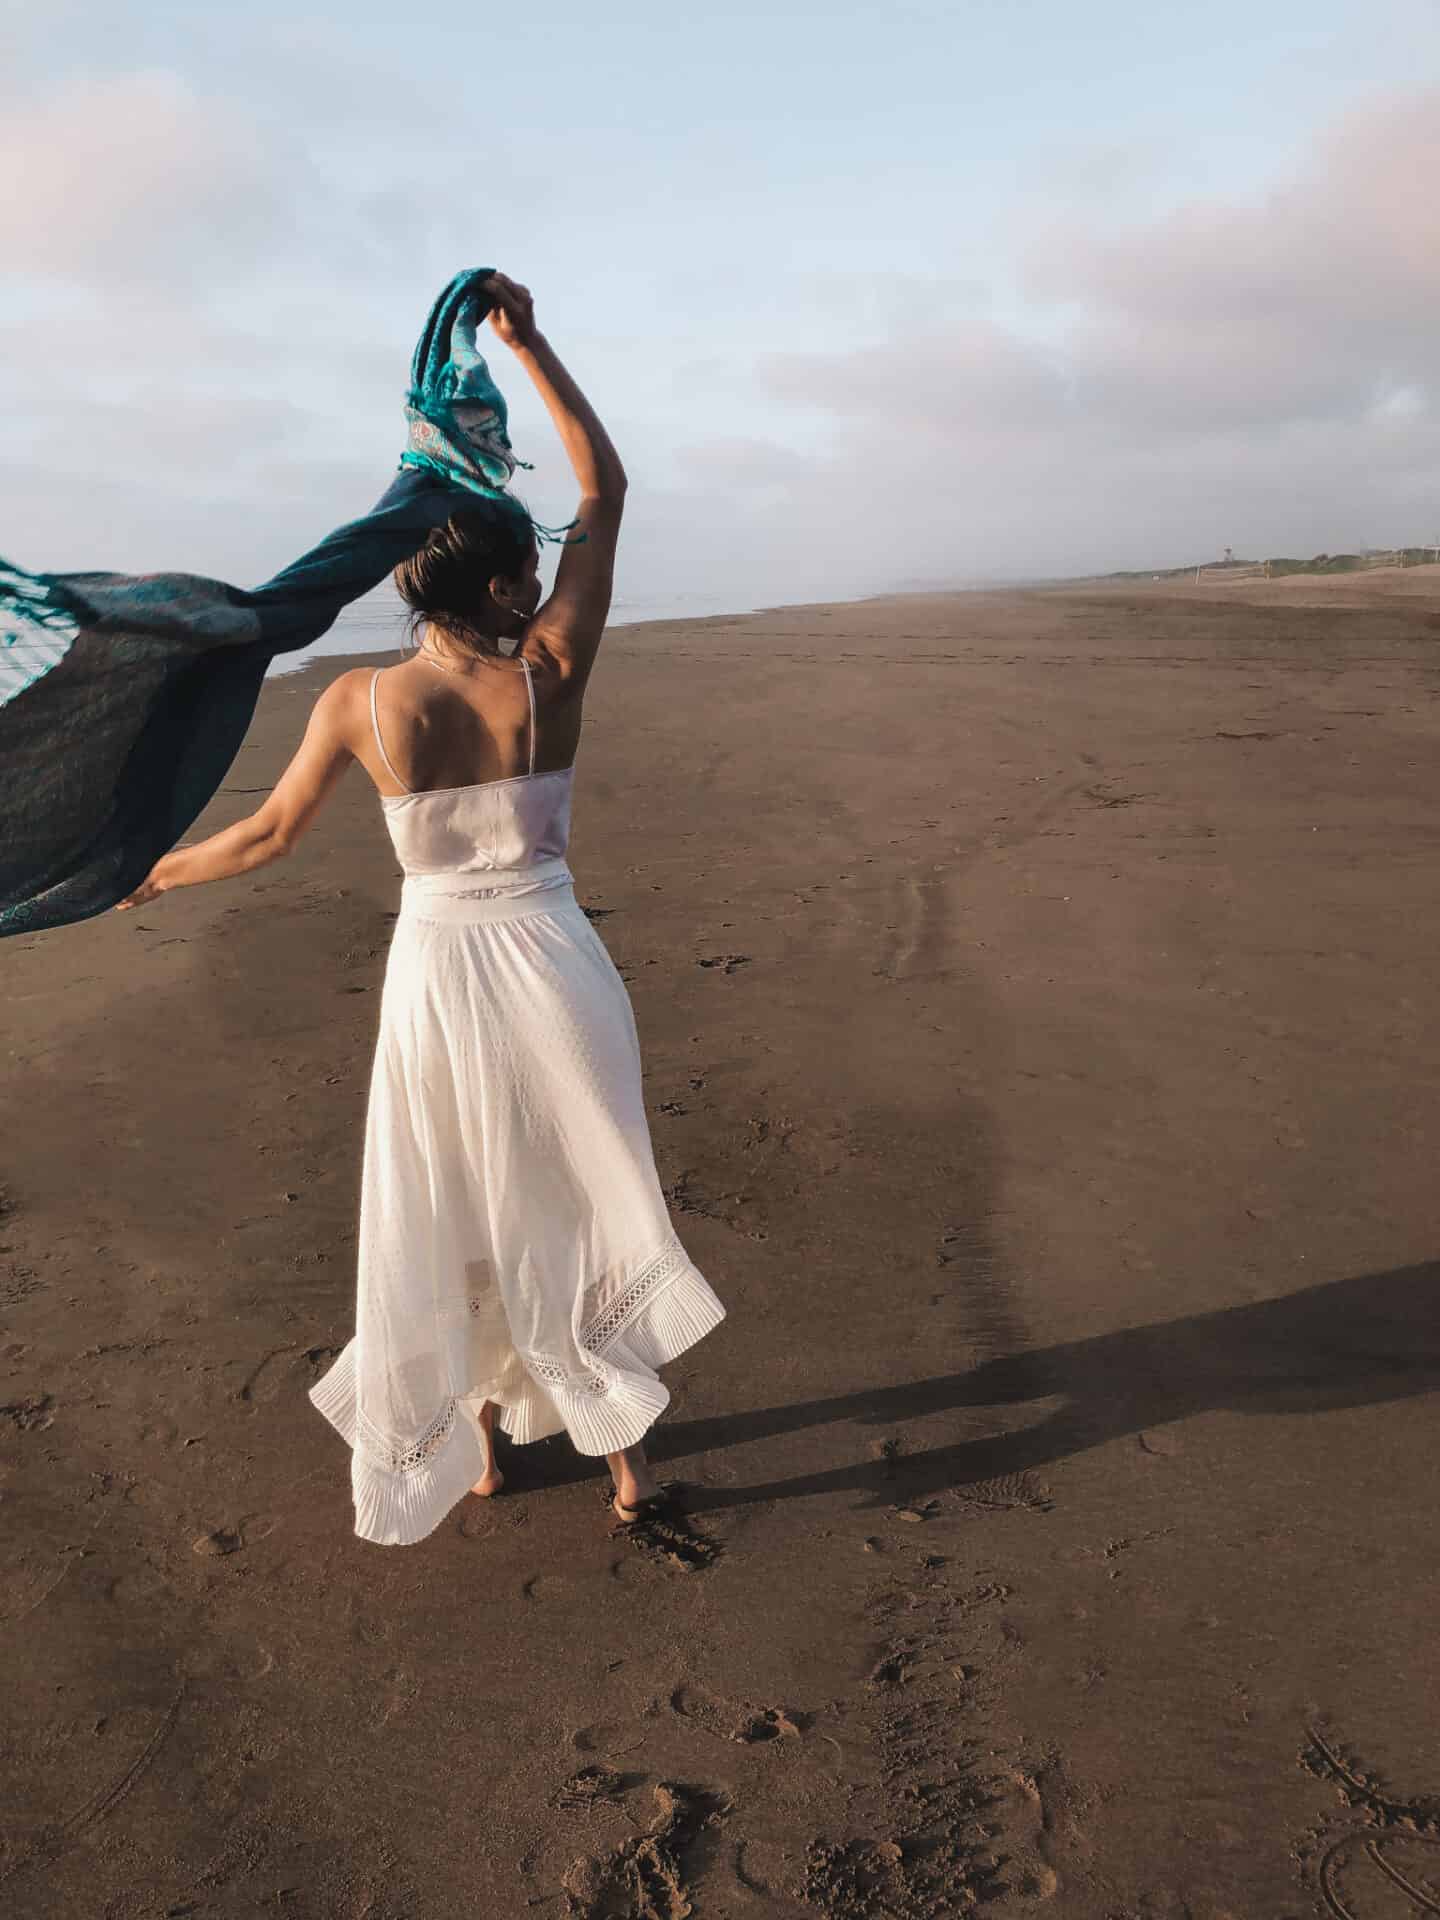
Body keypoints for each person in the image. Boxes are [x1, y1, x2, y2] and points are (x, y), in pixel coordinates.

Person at [115, 274, 726, 1546]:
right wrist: (533, 345)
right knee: (574, 1193)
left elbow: (268, 835)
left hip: (439, 975)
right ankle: (625, 1470)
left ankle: (487, 1451)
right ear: (509, 587)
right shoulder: (551, 670)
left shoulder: (359, 702)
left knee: (453, 1195)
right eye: (531, 563)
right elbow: (605, 492)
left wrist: (154, 871)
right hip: (555, 964)